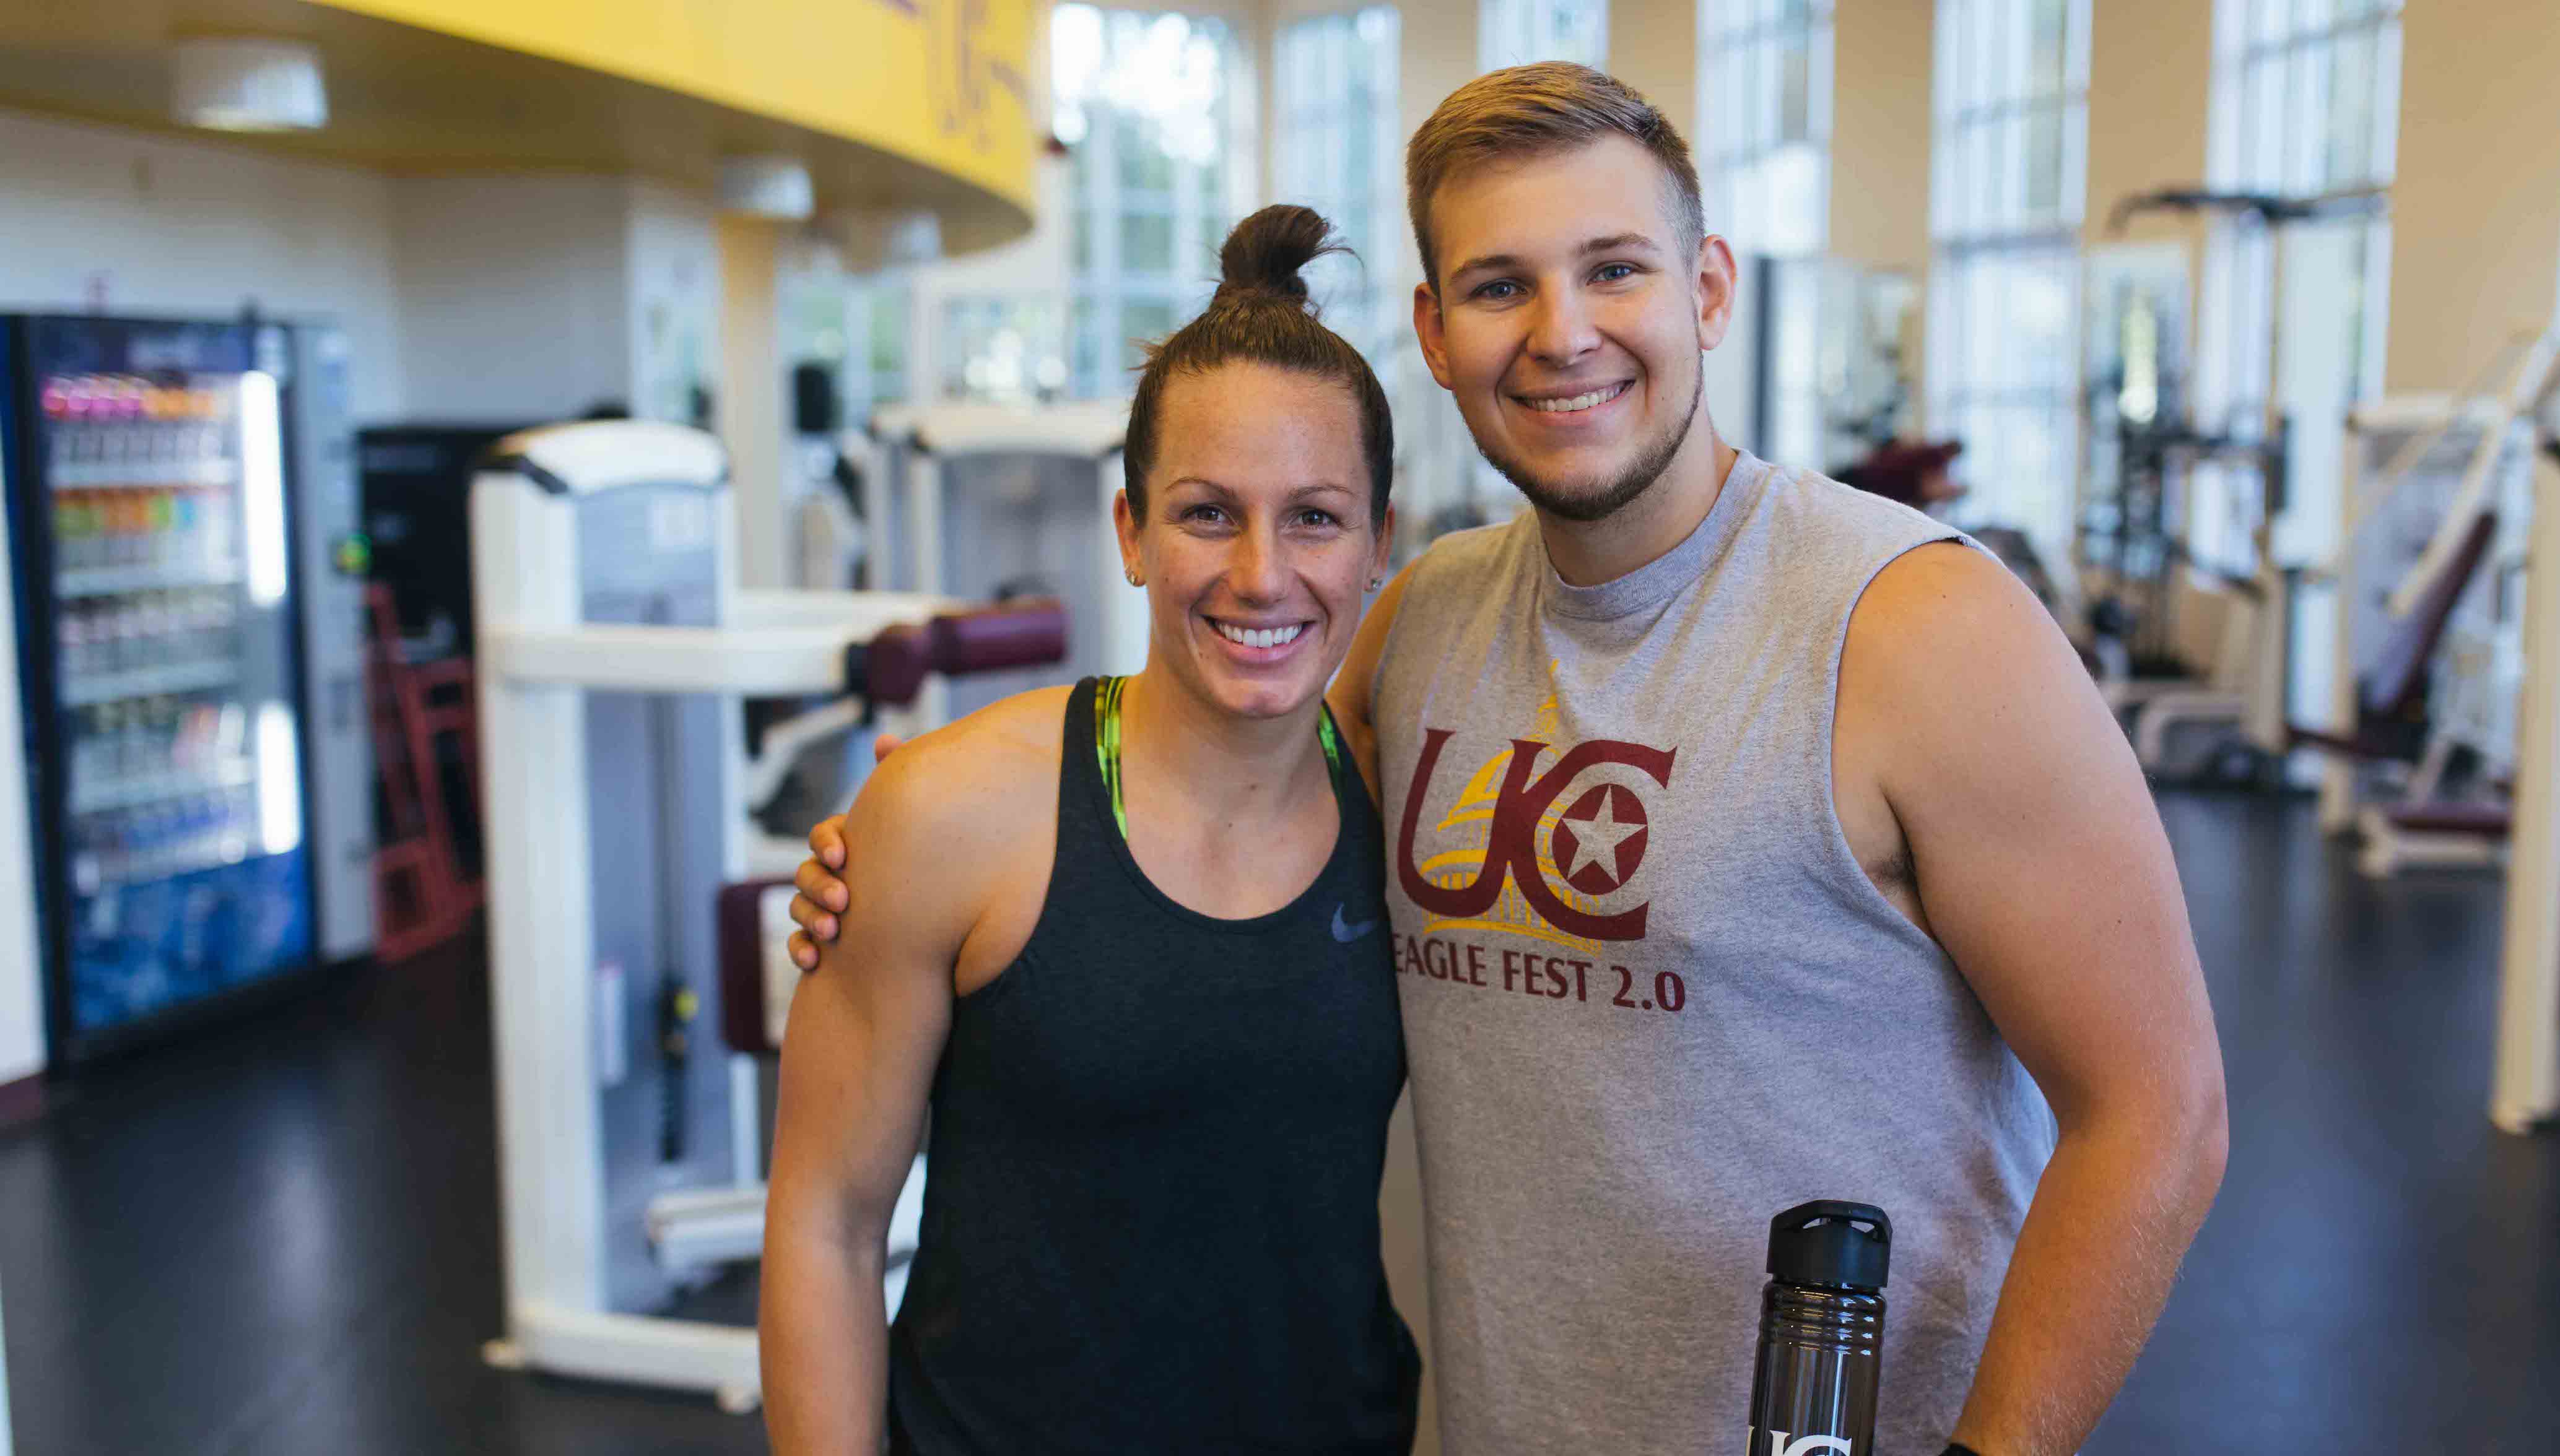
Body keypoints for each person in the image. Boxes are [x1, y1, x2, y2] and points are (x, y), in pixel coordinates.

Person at [792, 65, 2228, 1456]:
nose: (1562, 332)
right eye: (1500, 286)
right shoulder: (1425, 623)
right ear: (1434, 329)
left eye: (1614, 269)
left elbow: (2157, 1116)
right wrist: (923, 835)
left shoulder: (1920, 626)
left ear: (1707, 287)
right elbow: (1217, 756)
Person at [758, 206, 1420, 1455]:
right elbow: (826, 1229)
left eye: (1317, 518)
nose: (1263, 573)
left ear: (1379, 544)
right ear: (1130, 533)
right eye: (1208, 513)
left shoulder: (1408, 809)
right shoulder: (951, 814)